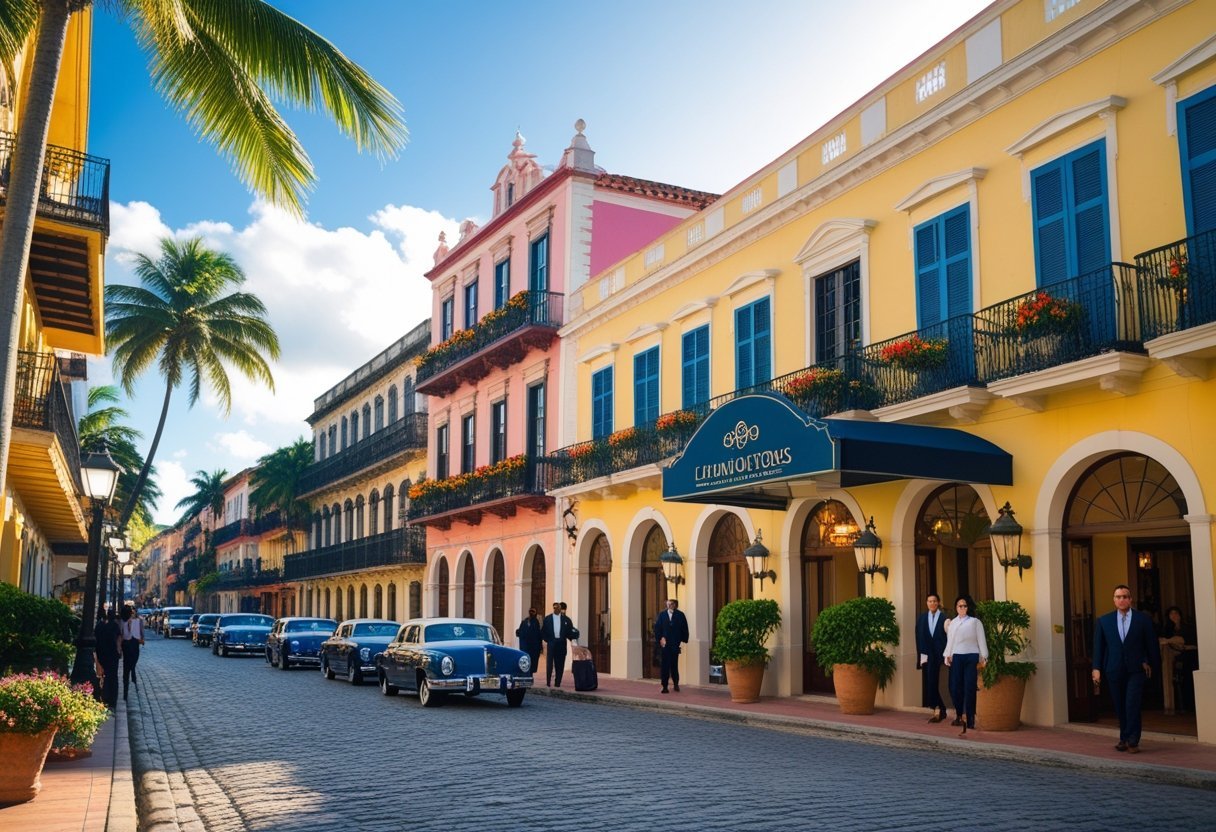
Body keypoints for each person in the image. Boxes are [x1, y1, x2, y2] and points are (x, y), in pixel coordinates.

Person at [1092, 585, 1160, 753]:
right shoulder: (1104, 621)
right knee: (1120, 705)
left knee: (1132, 704)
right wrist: (1096, 668)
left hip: (1136, 670)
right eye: (1118, 597)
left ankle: (1133, 740)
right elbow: (1098, 647)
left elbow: (1151, 645)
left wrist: (1151, 663)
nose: (1121, 599)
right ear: (1114, 600)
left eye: (1125, 596)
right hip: (1114, 669)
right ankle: (1124, 738)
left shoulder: (1143, 619)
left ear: (1130, 599)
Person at [943, 594, 987, 735]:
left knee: (969, 687)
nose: (962, 608)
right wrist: (947, 654)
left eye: (964, 606)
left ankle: (970, 719)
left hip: (971, 656)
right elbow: (950, 641)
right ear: (956, 608)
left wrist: (984, 656)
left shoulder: (975, 622)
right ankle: (959, 715)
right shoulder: (952, 623)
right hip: (956, 656)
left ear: (968, 607)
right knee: (955, 687)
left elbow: (981, 640)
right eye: (959, 606)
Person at [915, 592, 949, 722]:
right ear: (926, 603)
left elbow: (948, 637)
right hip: (927, 655)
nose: (932, 603)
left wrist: (947, 654)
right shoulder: (922, 618)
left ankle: (941, 709)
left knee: (939, 683)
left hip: (941, 655)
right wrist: (920, 656)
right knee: (931, 683)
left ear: (938, 602)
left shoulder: (945, 618)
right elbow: (918, 637)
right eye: (929, 601)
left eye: (934, 601)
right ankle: (939, 708)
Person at [1159, 606, 1199, 715]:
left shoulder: (1187, 628)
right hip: (1174, 659)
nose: (1174, 616)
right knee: (1177, 682)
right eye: (1171, 614)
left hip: (1189, 656)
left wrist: (1170, 642)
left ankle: (1191, 706)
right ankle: (1180, 706)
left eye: (1176, 613)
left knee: (1188, 680)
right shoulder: (1167, 629)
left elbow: (1186, 642)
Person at [653, 598, 689, 694]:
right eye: (668, 604)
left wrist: (682, 640)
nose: (669, 605)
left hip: (675, 644)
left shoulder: (680, 615)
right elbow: (657, 628)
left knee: (674, 665)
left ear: (675, 605)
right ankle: (664, 686)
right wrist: (660, 639)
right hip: (665, 645)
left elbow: (684, 628)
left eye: (671, 604)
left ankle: (676, 683)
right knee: (665, 666)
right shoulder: (662, 615)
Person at [540, 601, 577, 687]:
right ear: (553, 608)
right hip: (551, 643)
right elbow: (543, 631)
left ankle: (558, 682)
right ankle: (548, 681)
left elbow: (570, 631)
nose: (556, 609)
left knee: (560, 664)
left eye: (558, 607)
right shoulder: (547, 619)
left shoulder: (566, 620)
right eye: (555, 607)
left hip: (561, 644)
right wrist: (548, 640)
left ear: (560, 609)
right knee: (549, 664)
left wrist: (574, 636)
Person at [93, 608, 122, 709]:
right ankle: (111, 700)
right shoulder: (115, 626)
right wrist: (119, 651)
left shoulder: (99, 626)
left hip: (102, 653)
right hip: (112, 654)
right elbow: (118, 639)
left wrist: (96, 657)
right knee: (112, 677)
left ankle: (104, 697)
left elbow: (95, 640)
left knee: (103, 676)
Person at [120, 603, 146, 701]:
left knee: (128, 667)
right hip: (129, 645)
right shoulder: (123, 622)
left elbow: (141, 633)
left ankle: (131, 675)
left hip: (131, 644)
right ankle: (125, 693)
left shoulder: (137, 621)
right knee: (128, 668)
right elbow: (122, 634)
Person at [515, 607, 543, 676]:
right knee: (527, 664)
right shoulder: (525, 621)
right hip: (527, 648)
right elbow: (519, 633)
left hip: (532, 648)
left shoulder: (536, 622)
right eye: (531, 611)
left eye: (533, 612)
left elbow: (538, 635)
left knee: (530, 665)